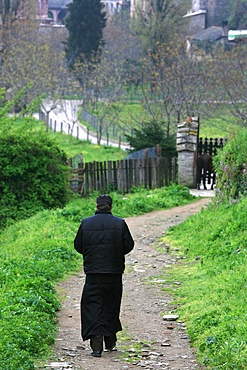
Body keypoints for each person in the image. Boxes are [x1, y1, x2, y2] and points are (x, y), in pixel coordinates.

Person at [74, 194, 135, 358]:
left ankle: (96, 346)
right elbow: (129, 245)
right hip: (114, 273)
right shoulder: (119, 223)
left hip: (93, 274)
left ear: (96, 206)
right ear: (111, 207)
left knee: (93, 305)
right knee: (111, 306)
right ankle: (110, 341)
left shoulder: (85, 224)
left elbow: (78, 245)